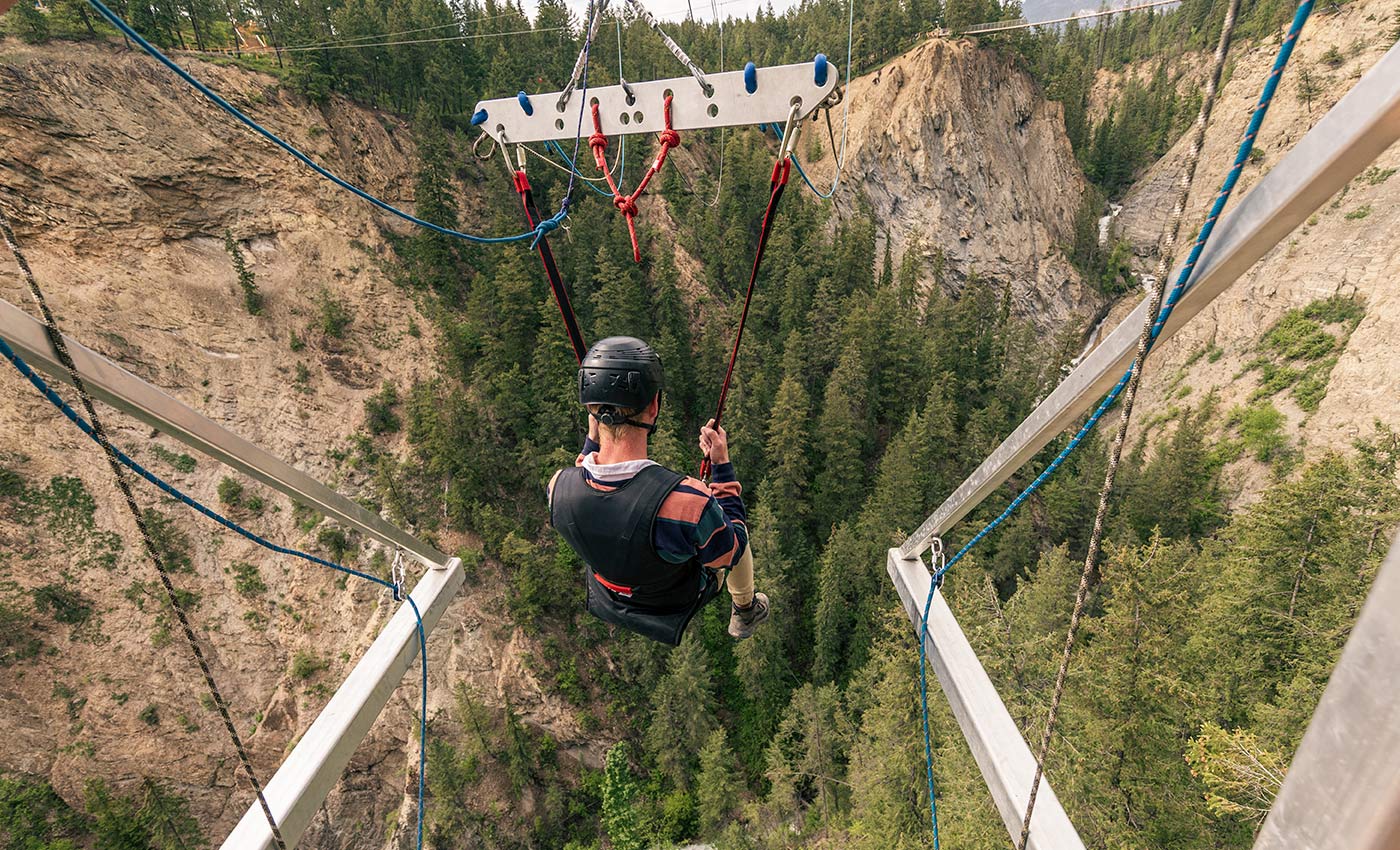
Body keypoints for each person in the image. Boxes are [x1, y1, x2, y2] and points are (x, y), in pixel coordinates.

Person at [548, 336, 769, 646]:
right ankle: (744, 608)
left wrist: (592, 436)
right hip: (672, 596)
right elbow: (729, 552)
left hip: (609, 589)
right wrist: (721, 466)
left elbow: (585, 467)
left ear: (591, 410)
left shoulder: (558, 487)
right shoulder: (688, 503)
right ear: (653, 406)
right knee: (731, 531)